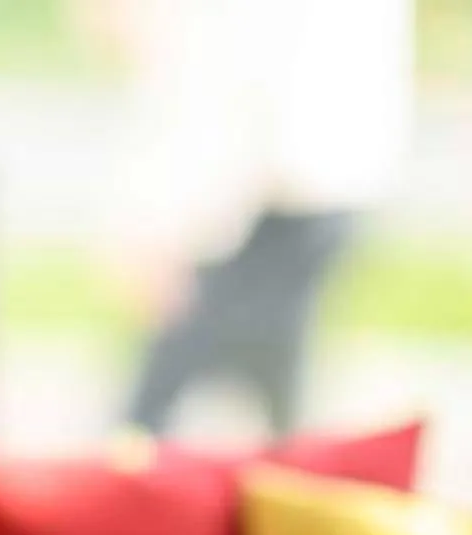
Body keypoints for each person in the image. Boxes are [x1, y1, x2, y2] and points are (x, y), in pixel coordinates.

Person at [86, 0, 418, 435]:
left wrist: (164, 234)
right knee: (275, 404)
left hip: (260, 206)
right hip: (329, 184)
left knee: (146, 419)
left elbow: (235, 101)